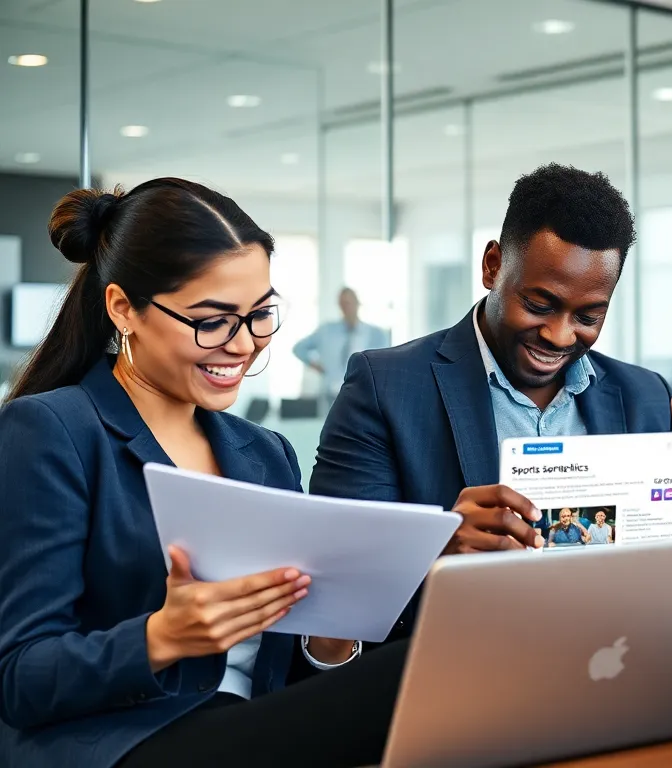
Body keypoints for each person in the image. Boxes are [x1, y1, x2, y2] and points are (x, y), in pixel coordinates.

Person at [0, 179, 406, 768]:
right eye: (212, 320)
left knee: (426, 668)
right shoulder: (51, 431)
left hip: (244, 731)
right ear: (122, 308)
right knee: (410, 674)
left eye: (259, 315)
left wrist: (333, 637)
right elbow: (19, 677)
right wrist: (162, 638)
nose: (242, 345)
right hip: (117, 742)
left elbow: (285, 676)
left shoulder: (265, 455)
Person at [309, 164, 672, 644]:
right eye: (539, 305)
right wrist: (433, 560)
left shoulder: (644, 397)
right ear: (493, 266)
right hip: (465, 670)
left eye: (589, 316)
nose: (559, 335)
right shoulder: (387, 387)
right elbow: (332, 597)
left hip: (617, 665)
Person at [291, 288, 390, 402]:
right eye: (342, 303)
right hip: (332, 394)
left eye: (348, 303)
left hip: (363, 394)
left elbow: (383, 364)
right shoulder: (326, 331)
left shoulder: (375, 334)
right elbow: (299, 348)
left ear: (357, 303)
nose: (346, 307)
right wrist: (315, 364)